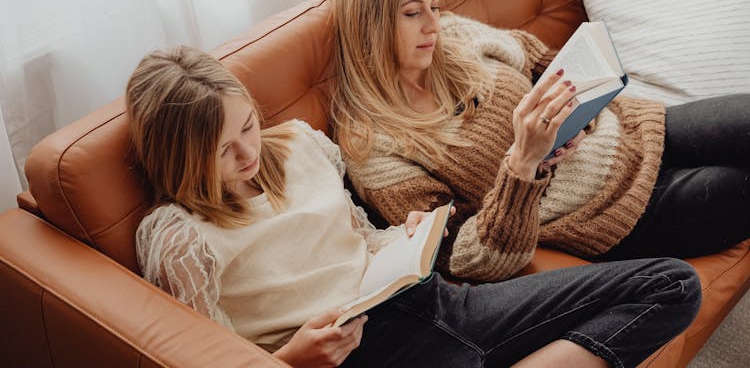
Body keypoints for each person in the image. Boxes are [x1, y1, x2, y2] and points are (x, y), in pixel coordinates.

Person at [129, 46, 699, 367]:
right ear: (176, 159)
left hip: (432, 302)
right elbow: (207, 360)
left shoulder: (300, 144)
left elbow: (358, 240)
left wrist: (403, 239)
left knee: (672, 286)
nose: (248, 151)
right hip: (360, 358)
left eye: (248, 125)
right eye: (222, 151)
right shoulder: (178, 236)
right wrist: (292, 360)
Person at [330, 0, 750, 283]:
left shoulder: (454, 37)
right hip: (610, 213)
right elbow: (467, 255)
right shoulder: (372, 147)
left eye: (435, 5)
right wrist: (523, 161)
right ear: (370, 23)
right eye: (411, 13)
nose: (433, 25)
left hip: (635, 130)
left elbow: (537, 58)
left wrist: (578, 108)